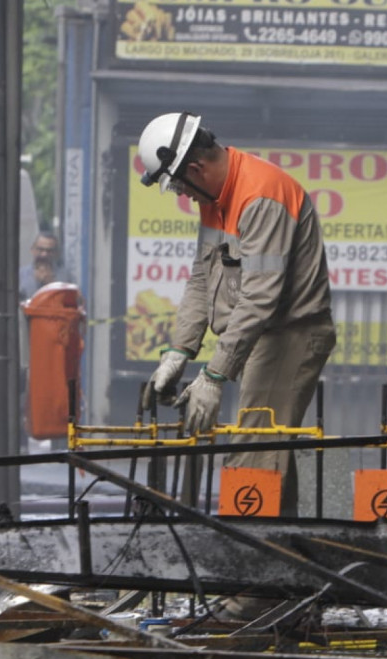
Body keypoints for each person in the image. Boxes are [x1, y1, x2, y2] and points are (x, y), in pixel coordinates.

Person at [137, 111, 336, 515]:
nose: (182, 194)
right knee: (268, 450)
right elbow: (201, 277)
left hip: (291, 336)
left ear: (196, 166)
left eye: (178, 184)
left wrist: (214, 376)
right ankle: (284, 556)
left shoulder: (261, 196)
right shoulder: (216, 197)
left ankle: (246, 556)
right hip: (265, 336)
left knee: (254, 453)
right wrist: (181, 350)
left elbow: (260, 297)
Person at [18, 231, 71, 300]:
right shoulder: (21, 275)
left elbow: (69, 302)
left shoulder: (65, 276)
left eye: (49, 251)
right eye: (40, 249)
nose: (44, 254)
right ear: (32, 250)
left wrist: (51, 283)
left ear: (56, 253)